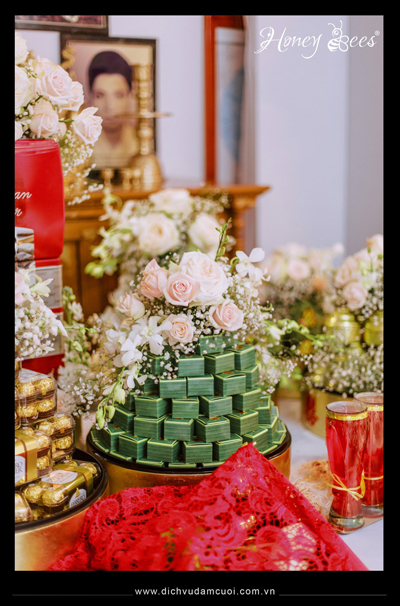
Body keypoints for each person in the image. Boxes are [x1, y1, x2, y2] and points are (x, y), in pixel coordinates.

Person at [87, 50, 139, 170]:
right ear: (90, 97)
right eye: (100, 95)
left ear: (130, 95)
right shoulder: (79, 146)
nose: (109, 106)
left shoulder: (139, 142)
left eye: (119, 95)